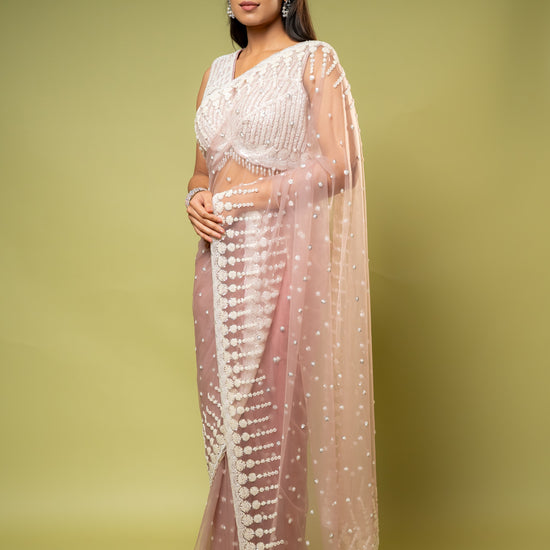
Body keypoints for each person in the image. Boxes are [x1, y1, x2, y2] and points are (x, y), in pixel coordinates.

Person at [186, 1, 379, 548]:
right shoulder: (215, 73)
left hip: (278, 260)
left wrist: (250, 196)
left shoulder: (314, 61)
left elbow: (341, 163)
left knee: (270, 421)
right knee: (229, 427)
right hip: (216, 262)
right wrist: (195, 198)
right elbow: (201, 172)